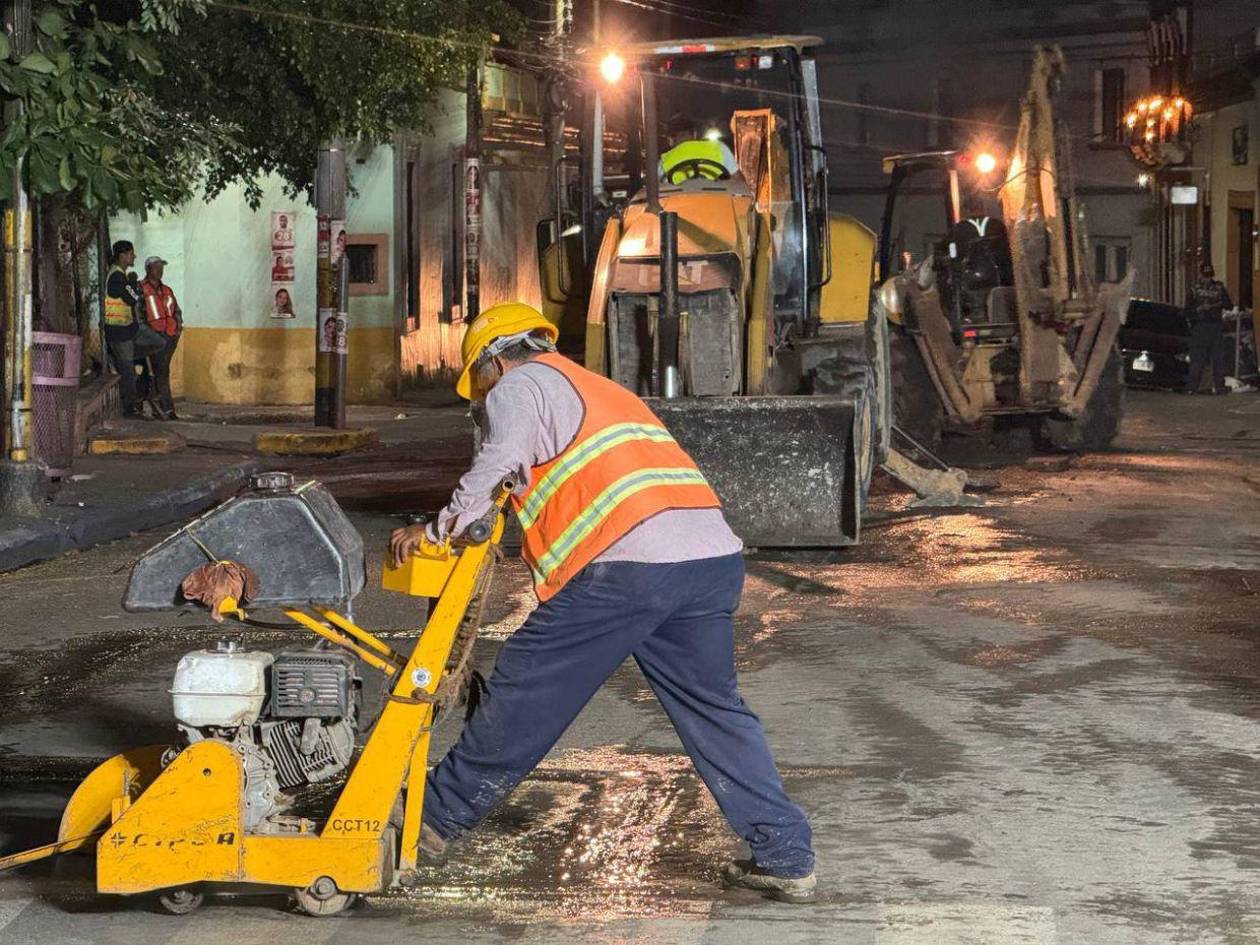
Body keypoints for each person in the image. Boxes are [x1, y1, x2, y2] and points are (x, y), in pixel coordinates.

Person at [389, 302, 817, 903]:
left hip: (628, 567)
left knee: (528, 681)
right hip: (709, 561)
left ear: (493, 359)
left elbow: (497, 461)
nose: (478, 400)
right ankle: (786, 854)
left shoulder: (521, 384)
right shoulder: (597, 387)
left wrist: (436, 530)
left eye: (477, 384)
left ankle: (432, 819)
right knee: (715, 711)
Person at [103, 240, 144, 418]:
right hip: (119, 331)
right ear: (123, 255)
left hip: (128, 328)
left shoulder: (120, 275)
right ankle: (130, 408)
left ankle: (133, 402)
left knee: (157, 342)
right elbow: (132, 298)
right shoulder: (117, 277)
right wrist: (134, 285)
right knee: (128, 371)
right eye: (131, 253)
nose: (133, 256)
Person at [140, 256, 183, 420]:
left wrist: (178, 328)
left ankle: (157, 404)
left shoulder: (167, 290)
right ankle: (167, 408)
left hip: (170, 337)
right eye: (156, 267)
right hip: (153, 337)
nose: (160, 270)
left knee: (160, 371)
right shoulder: (141, 288)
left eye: (161, 267)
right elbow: (139, 313)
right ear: (148, 269)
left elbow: (176, 311)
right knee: (161, 371)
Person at [1184, 262, 1233, 395]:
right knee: (1207, 359)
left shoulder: (1196, 289)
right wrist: (1202, 308)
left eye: (1209, 276)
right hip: (1207, 326)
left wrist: (1212, 306)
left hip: (1207, 326)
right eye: (1206, 276)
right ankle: (1199, 387)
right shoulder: (1217, 288)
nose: (1207, 279)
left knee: (1208, 359)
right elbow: (1229, 305)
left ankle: (1196, 387)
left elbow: (1187, 311)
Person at [659, 116, 738, 184]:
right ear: (694, 134)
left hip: (679, 200)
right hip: (716, 199)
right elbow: (736, 180)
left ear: (671, 139)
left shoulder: (665, 160)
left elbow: (660, 189)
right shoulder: (719, 148)